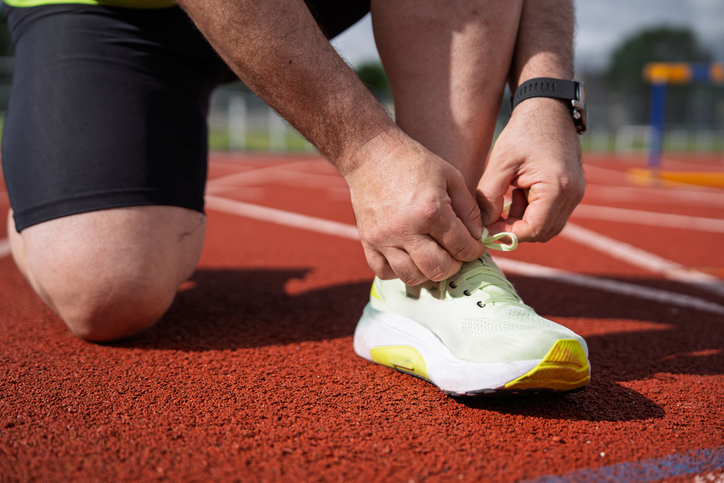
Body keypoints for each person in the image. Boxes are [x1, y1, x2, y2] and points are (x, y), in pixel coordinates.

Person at [2, 0, 589, 395]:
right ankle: (42, 196)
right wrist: (371, 152)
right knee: (106, 290)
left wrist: (546, 97)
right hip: (116, 13)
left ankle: (432, 275)